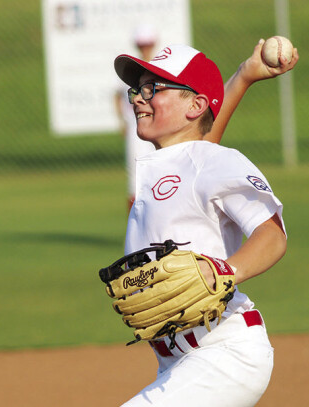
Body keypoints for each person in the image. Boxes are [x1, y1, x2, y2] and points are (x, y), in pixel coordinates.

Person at [112, 40, 298, 407]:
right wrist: (243, 76)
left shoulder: (213, 161)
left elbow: (272, 235)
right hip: (177, 363)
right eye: (138, 88)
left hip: (224, 353)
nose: (137, 98)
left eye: (154, 88)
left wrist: (223, 271)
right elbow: (197, 139)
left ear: (196, 105)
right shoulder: (175, 164)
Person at [114, 25, 159, 210]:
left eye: (147, 44)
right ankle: (135, 224)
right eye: (142, 44)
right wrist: (121, 120)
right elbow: (117, 95)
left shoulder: (160, 66)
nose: (145, 48)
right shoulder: (131, 68)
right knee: (136, 173)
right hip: (135, 123)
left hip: (159, 122)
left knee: (161, 168)